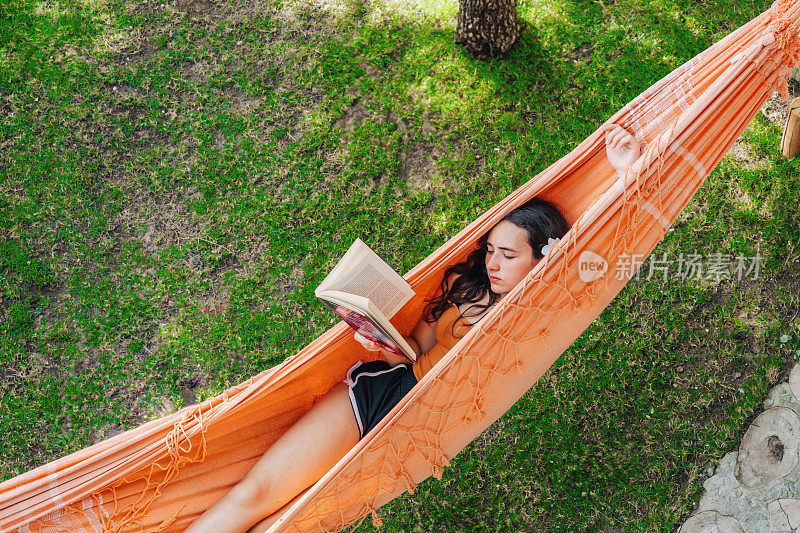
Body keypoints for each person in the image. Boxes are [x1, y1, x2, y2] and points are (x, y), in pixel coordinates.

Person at [185, 123, 640, 533]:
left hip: (419, 428)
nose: (493, 263)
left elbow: (607, 256)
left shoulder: (540, 308)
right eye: (491, 249)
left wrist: (626, 176)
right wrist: (379, 340)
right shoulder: (463, 283)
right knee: (254, 495)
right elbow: (417, 349)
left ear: (544, 257)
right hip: (383, 393)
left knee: (286, 525)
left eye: (509, 254)